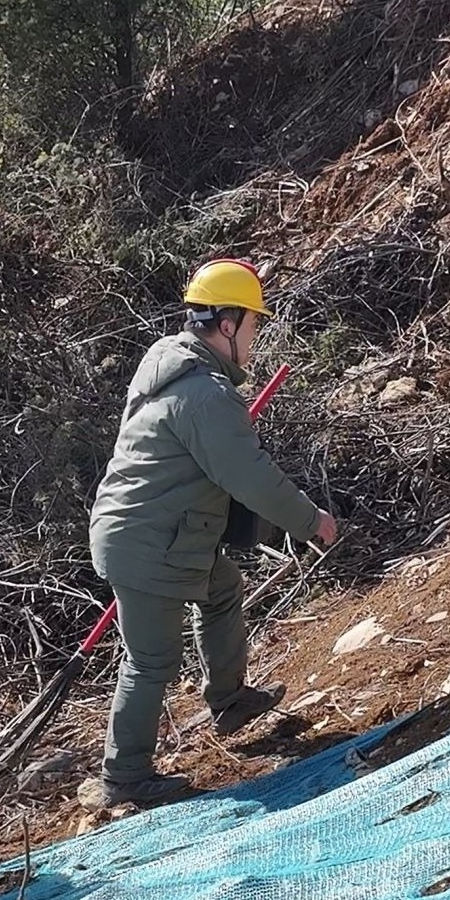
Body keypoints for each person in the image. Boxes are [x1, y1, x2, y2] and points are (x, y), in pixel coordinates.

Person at [89, 258, 338, 804]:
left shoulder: (168, 362)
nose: (255, 338)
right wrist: (310, 521)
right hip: (149, 541)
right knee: (151, 660)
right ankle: (124, 777)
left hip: (151, 532)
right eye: (252, 325)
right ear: (226, 324)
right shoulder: (203, 393)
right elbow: (248, 475)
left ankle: (229, 700)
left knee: (221, 587)